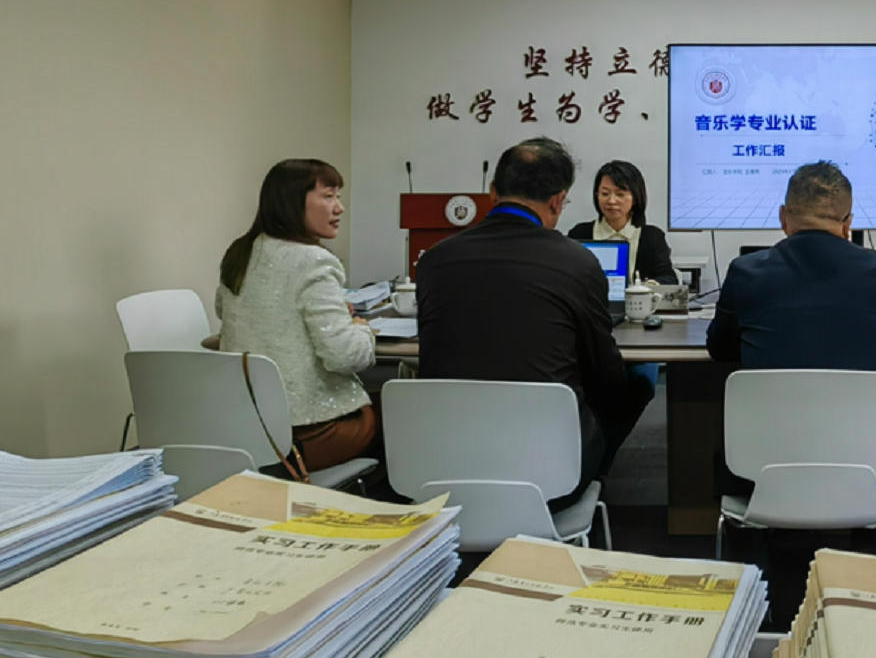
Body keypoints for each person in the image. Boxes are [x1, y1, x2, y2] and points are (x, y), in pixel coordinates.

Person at [416, 137, 653, 510]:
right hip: (550, 476)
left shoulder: (434, 261)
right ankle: (597, 480)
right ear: (558, 200)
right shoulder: (577, 262)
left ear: (493, 192)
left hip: (442, 470)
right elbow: (604, 375)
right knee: (637, 384)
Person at [708, 161, 876, 495]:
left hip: (762, 473)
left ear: (783, 217)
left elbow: (720, 349)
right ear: (847, 224)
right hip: (875, 474)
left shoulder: (745, 272)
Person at [217, 159, 378, 473]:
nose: (339, 207)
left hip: (244, 429)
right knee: (397, 413)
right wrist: (361, 329)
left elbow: (226, 310)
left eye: (338, 196)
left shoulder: (241, 251)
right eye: (328, 196)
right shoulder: (314, 260)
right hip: (306, 434)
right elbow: (345, 357)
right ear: (292, 202)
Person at [566, 160, 678, 284]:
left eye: (620, 194)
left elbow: (668, 278)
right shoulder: (579, 234)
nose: (611, 201)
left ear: (635, 197)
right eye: (605, 194)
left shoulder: (652, 237)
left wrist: (650, 286)